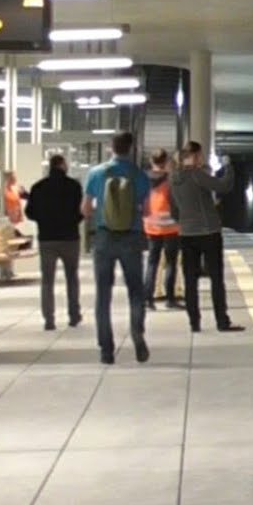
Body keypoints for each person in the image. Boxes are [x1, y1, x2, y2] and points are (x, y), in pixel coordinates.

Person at [82, 131, 152, 365]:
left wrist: (103, 211)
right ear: (131, 148)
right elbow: (148, 211)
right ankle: (137, 333)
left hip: (104, 237)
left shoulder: (96, 173)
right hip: (131, 238)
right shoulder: (139, 176)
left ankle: (106, 349)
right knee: (135, 291)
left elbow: (86, 210)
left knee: (103, 294)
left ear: (111, 147)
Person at [170, 141, 244, 333]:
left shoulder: (173, 178)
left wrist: (185, 221)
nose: (202, 159)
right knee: (216, 278)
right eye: (200, 155)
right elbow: (224, 186)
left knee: (190, 280)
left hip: (186, 234)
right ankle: (222, 321)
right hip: (208, 231)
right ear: (194, 156)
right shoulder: (196, 175)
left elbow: (173, 209)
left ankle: (194, 322)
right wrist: (228, 166)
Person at [25, 155, 84, 331]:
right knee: (72, 277)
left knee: (47, 281)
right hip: (70, 238)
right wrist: (73, 221)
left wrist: (44, 220)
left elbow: (30, 212)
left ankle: (49, 319)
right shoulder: (74, 186)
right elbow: (81, 211)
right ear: (62, 165)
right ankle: (74, 315)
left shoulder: (38, 187)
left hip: (47, 239)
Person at [143, 149, 181, 311]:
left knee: (152, 262)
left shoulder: (143, 179)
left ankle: (148, 300)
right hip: (171, 226)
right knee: (171, 263)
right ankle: (170, 299)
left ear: (151, 161)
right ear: (166, 162)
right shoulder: (172, 179)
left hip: (151, 225)